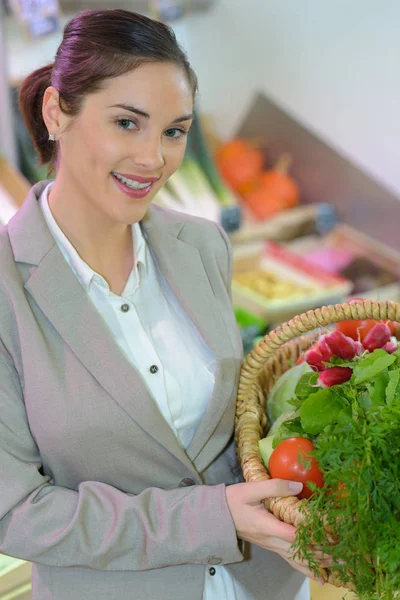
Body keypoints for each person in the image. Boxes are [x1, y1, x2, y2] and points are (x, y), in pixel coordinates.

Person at [0, 9, 331, 600]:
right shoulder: (7, 290)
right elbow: (18, 511)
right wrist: (212, 517)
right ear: (56, 112)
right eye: (128, 123)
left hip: (265, 581)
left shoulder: (200, 244)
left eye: (175, 131)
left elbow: (233, 417)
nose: (154, 158)